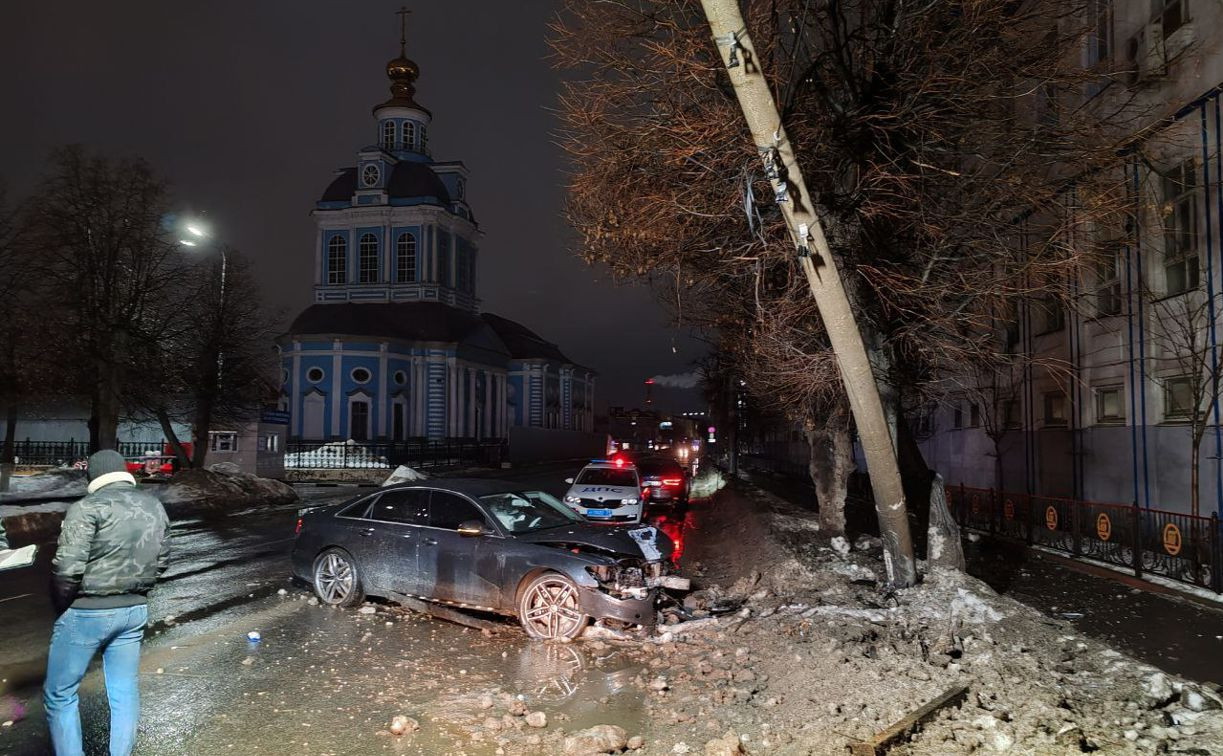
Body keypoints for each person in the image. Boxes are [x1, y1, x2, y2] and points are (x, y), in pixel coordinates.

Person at [44, 450, 170, 756]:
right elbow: (162, 559)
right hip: (134, 611)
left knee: (60, 694)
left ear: (94, 477)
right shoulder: (154, 506)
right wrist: (138, 590)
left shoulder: (86, 508)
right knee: (124, 690)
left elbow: (67, 568)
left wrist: (63, 606)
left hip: (88, 612)